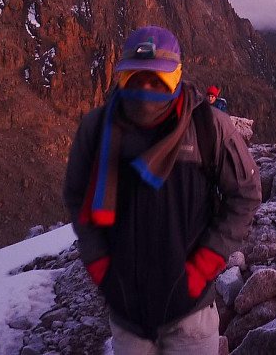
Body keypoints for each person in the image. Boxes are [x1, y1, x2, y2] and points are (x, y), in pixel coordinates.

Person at [64, 26, 261, 354]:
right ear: (122, 75)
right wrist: (101, 267)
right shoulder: (97, 128)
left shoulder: (207, 127)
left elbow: (245, 194)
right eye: (135, 77)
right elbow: (77, 196)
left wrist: (200, 270)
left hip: (191, 315)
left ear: (177, 76)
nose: (146, 87)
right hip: (127, 317)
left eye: (158, 78)